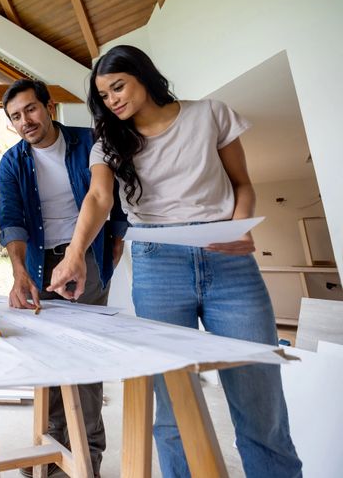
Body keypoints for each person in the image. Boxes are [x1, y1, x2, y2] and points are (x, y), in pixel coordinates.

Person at [48, 45, 302, 478]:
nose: (113, 101)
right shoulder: (109, 140)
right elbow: (98, 197)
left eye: (118, 87)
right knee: (173, 407)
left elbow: (242, 184)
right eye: (104, 96)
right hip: (157, 262)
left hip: (226, 259)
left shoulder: (211, 114)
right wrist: (74, 256)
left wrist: (240, 227)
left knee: (261, 402)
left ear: (143, 76)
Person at [0, 79, 127, 477]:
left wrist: (111, 248)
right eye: (16, 117)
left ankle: (87, 459)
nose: (25, 121)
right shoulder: (12, 162)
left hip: (84, 259)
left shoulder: (90, 141)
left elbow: (114, 201)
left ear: (49, 106)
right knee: (46, 359)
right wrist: (19, 273)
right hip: (38, 265)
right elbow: (11, 220)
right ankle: (52, 454)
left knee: (85, 359)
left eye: (31, 110)